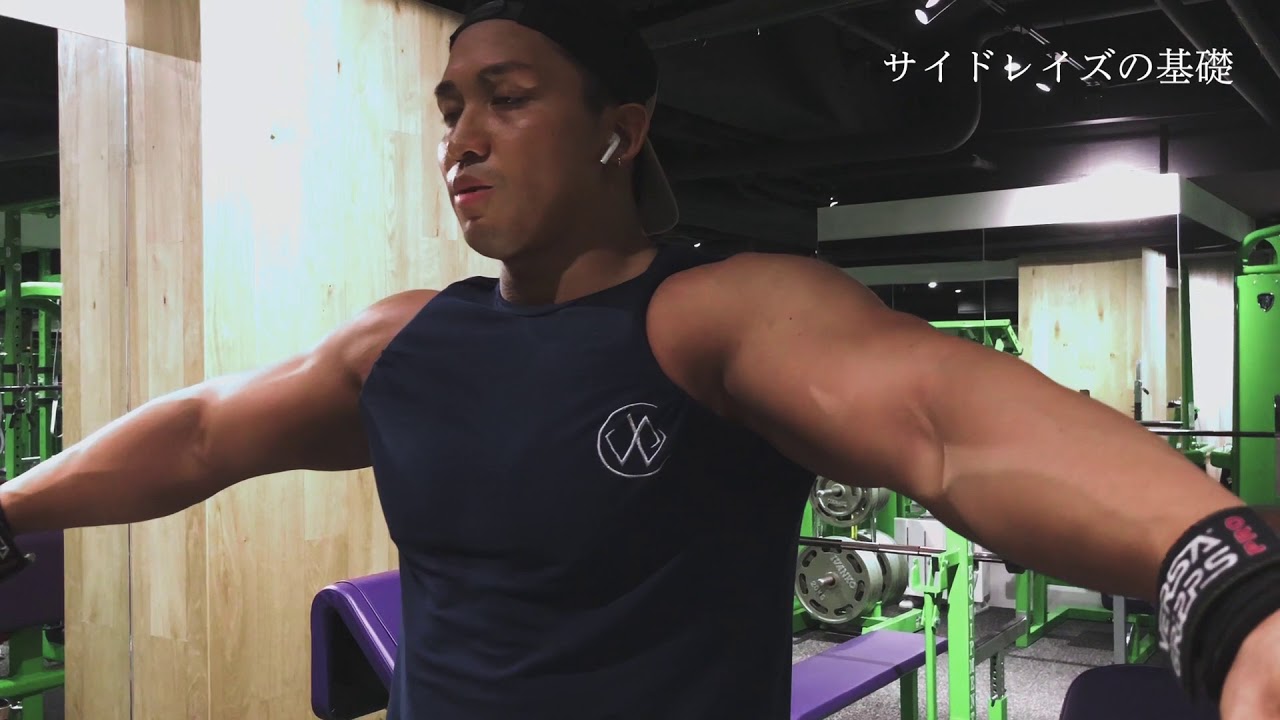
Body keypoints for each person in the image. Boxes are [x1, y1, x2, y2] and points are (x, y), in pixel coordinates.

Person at [2, 1, 1279, 718]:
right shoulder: (404, 341)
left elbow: (946, 425)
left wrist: (1219, 577)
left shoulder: (709, 318)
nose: (461, 138)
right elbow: (203, 433)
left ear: (618, 132)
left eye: (507, 97)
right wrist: (9, 508)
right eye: (450, 108)